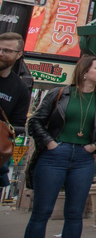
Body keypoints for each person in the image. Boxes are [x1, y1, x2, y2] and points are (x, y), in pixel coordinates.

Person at [25, 55, 96, 238]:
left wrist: (93, 147)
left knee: (75, 214)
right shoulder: (59, 94)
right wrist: (50, 143)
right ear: (84, 72)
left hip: (83, 159)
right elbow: (35, 122)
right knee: (42, 211)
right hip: (54, 155)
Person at [0, 33, 30, 187]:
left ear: (19, 55)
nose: (1, 53)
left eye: (6, 51)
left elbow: (17, 125)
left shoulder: (20, 88)